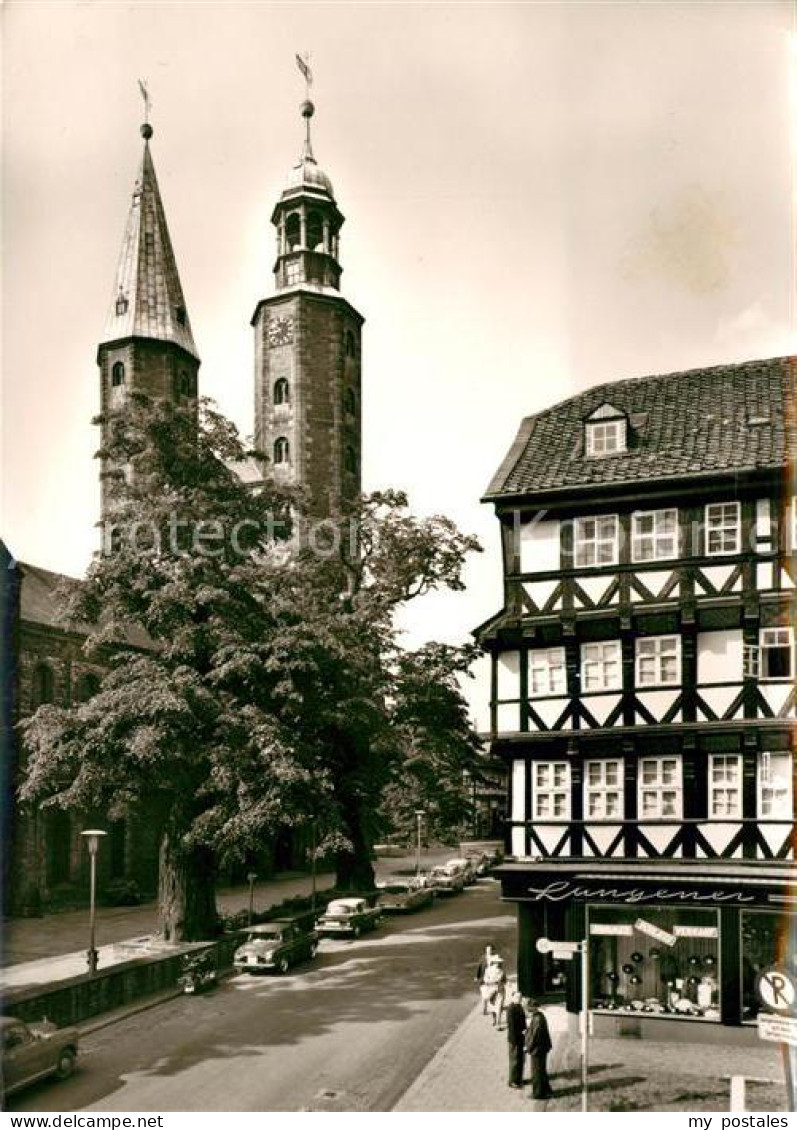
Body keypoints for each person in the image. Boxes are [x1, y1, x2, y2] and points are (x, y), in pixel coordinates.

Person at [524, 999, 553, 1100]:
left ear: (533, 1008)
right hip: (543, 1048)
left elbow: (534, 1036)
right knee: (542, 1070)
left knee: (536, 1072)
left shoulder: (537, 1019)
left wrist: (527, 1047)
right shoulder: (540, 1016)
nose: (527, 1010)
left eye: (529, 1008)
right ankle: (547, 1090)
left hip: (538, 1049)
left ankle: (538, 1094)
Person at [505, 990, 527, 1089]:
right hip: (514, 1040)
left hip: (520, 1038)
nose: (519, 999)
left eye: (520, 997)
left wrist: (525, 1031)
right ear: (513, 998)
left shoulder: (519, 1006)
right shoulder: (511, 1009)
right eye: (517, 997)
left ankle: (518, 1079)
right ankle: (512, 1081)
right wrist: (515, 1041)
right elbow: (512, 1027)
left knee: (520, 1059)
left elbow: (523, 1021)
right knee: (514, 1060)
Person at [482, 955, 507, 1027]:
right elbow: (504, 980)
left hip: (494, 990)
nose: (499, 964)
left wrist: (489, 982)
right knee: (496, 1007)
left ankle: (496, 1022)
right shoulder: (499, 971)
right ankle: (496, 1022)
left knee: (495, 1006)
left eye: (500, 962)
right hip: (496, 990)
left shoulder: (490, 970)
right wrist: (494, 982)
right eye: (498, 962)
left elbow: (485, 979)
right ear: (495, 962)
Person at [475, 944, 496, 1014]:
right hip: (483, 980)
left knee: (491, 994)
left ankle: (492, 1003)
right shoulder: (482, 959)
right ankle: (485, 1010)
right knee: (484, 996)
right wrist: (477, 977)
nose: (489, 951)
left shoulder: (495, 958)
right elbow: (479, 968)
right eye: (487, 950)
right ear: (485, 950)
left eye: (490, 949)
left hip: (492, 980)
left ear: (492, 950)